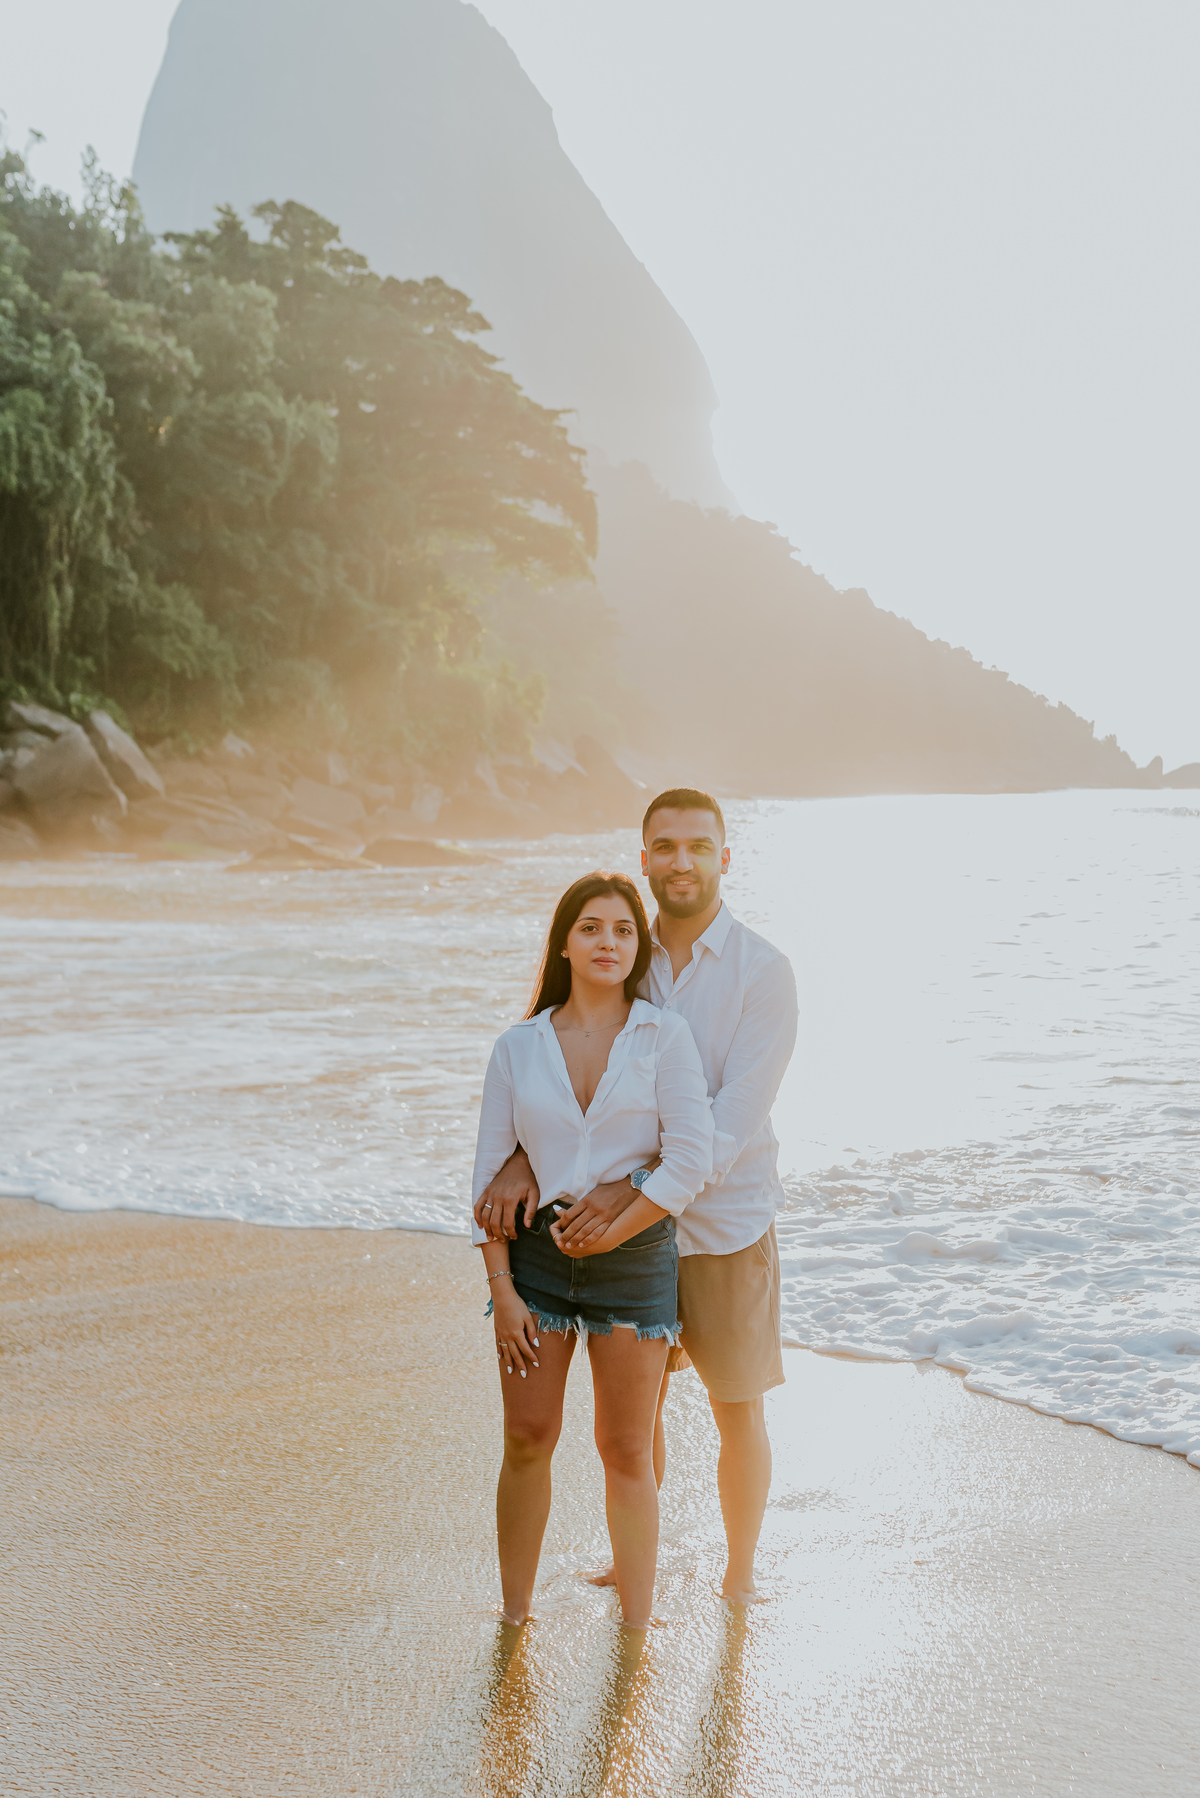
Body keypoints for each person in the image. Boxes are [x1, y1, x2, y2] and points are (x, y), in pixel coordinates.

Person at [476, 790, 798, 1605]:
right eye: (664, 847)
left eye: (698, 846)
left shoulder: (765, 973)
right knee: (635, 1419)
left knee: (737, 1407)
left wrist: (634, 1186)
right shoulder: (624, 951)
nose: (680, 861)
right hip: (621, 1234)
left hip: (722, 1224)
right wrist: (518, 1160)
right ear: (644, 856)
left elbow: (726, 1125)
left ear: (725, 858)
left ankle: (740, 1571)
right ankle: (632, 1564)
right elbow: (568, 1093)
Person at [472, 870, 714, 1630]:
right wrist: (503, 1291)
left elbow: (690, 1160)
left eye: (622, 930)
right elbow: (487, 1180)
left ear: (637, 946)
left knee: (625, 1449)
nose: (607, 942)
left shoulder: (662, 1034)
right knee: (526, 1437)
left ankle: (637, 1627)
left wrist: (621, 1220)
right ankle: (514, 1614)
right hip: (538, 1268)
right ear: (565, 944)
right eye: (591, 929)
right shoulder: (518, 1046)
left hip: (637, 1264)